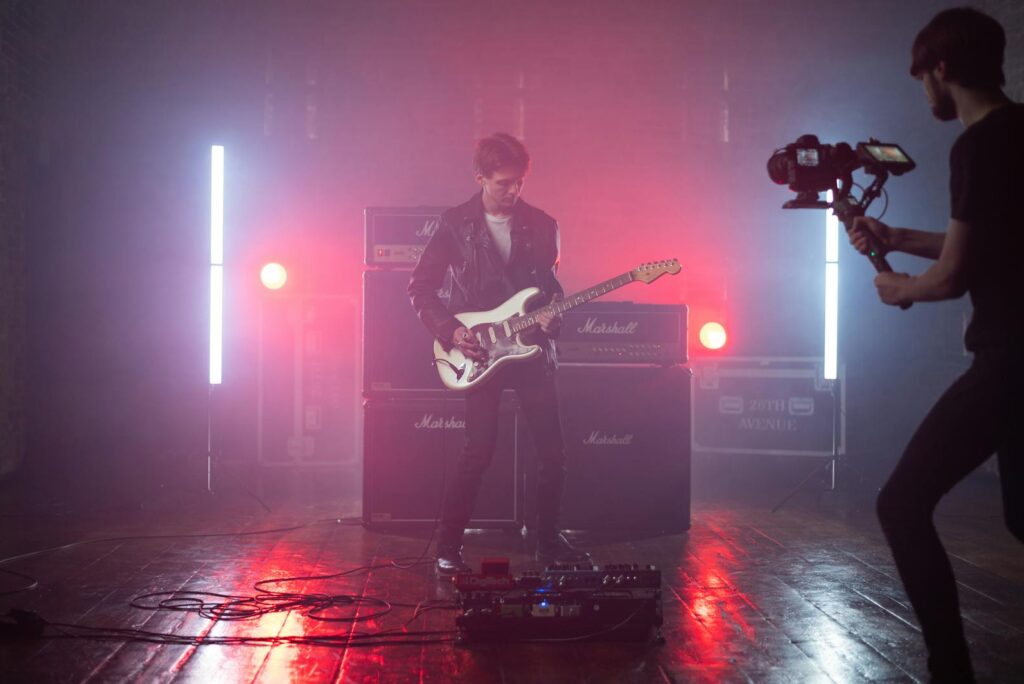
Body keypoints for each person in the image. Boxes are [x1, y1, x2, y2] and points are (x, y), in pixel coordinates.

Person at [847, 8, 1023, 682]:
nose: (924, 94)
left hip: (1010, 358)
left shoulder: (976, 145)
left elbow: (952, 278)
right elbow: (983, 245)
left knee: (901, 502)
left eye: (923, 77)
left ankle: (951, 671)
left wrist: (903, 288)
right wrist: (896, 240)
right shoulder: (1022, 129)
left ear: (941, 70)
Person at [408, 132, 589, 576]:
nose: (514, 191)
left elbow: (550, 291)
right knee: (478, 452)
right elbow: (420, 288)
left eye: (520, 182)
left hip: (531, 351)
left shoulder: (543, 224)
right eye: (504, 182)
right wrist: (452, 332)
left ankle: (548, 544)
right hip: (480, 350)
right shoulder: (455, 223)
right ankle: (448, 547)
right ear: (481, 177)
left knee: (552, 454)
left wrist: (553, 318)